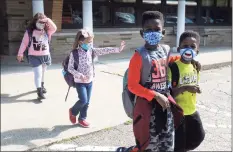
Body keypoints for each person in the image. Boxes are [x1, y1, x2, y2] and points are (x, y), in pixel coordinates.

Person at [127, 11, 182, 151]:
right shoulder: (138, 57)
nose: (153, 33)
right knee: (149, 145)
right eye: (148, 30)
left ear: (163, 32)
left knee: (167, 142)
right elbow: (132, 86)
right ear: (142, 33)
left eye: (157, 30)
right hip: (148, 110)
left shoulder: (165, 50)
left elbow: (168, 63)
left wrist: (188, 60)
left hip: (165, 106)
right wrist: (156, 95)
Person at [68, 28, 126, 128]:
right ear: (80, 42)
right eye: (88, 42)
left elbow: (104, 50)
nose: (90, 44)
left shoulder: (91, 51)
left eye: (91, 41)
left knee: (87, 102)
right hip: (80, 82)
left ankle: (82, 119)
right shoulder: (74, 53)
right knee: (83, 100)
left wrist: (118, 49)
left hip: (90, 81)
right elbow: (70, 68)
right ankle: (73, 111)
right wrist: (79, 75)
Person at [168, 31, 205, 152]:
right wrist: (186, 88)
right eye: (185, 46)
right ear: (179, 49)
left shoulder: (195, 66)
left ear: (197, 51)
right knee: (179, 144)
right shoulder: (173, 67)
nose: (188, 49)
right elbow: (169, 93)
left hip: (192, 109)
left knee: (199, 136)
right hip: (178, 112)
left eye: (192, 46)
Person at [17, 13, 57, 100]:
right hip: (34, 56)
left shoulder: (47, 31)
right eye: (40, 22)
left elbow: (54, 28)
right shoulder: (30, 32)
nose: (41, 24)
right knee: (37, 73)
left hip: (45, 55)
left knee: (43, 72)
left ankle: (41, 86)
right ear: (35, 22)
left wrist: (47, 20)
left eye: (43, 22)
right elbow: (24, 43)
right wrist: (20, 54)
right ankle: (39, 92)